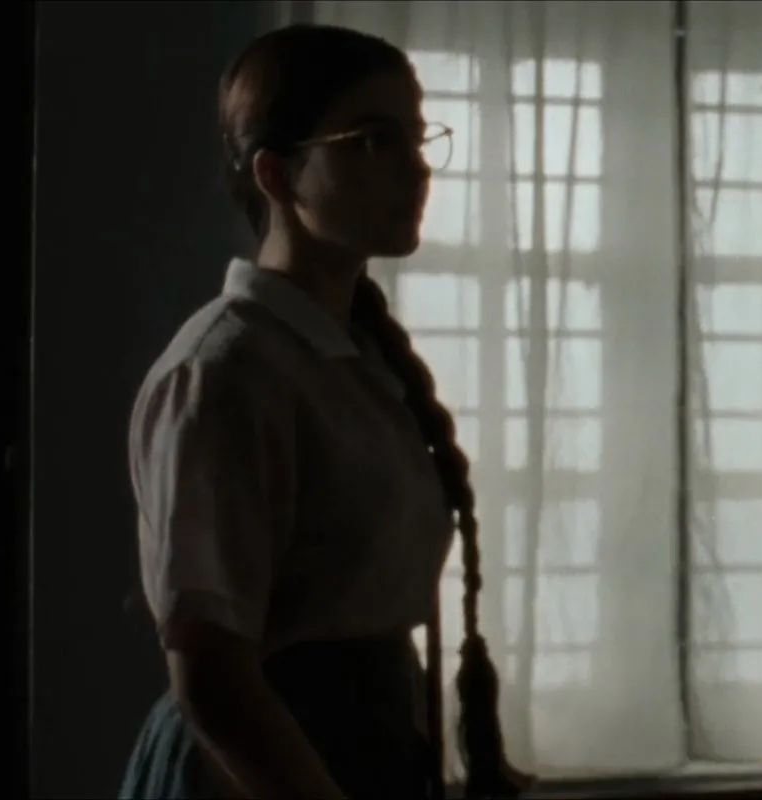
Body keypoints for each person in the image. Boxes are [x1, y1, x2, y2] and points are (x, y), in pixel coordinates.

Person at [118, 24, 527, 800]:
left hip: (367, 756)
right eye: (373, 141)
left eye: (415, 138)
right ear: (276, 173)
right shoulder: (225, 370)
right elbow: (211, 672)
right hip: (259, 774)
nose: (416, 167)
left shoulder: (354, 361)